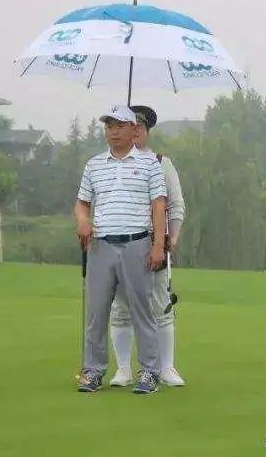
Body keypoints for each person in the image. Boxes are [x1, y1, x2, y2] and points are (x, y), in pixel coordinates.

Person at [73, 105, 168, 394]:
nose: (113, 132)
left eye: (118, 126)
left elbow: (159, 205)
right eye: (108, 127)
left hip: (137, 244)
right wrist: (83, 220)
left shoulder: (151, 164)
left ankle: (149, 372)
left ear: (132, 129)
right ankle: (93, 371)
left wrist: (158, 246)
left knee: (143, 311)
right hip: (101, 245)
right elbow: (82, 203)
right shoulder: (94, 165)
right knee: (97, 312)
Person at [108, 105, 187, 388]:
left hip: (153, 246)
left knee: (160, 307)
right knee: (121, 308)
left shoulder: (161, 162)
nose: (137, 133)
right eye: (132, 127)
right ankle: (123, 369)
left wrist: (172, 238)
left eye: (141, 128)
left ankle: (166, 367)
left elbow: (175, 205)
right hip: (117, 245)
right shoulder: (112, 163)